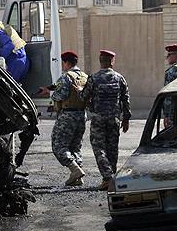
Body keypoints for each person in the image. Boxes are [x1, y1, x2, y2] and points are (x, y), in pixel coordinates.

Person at [80, 50, 131, 190]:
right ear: (112, 62)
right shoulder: (119, 78)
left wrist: (79, 91)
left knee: (99, 148)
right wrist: (126, 119)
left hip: (98, 119)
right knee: (112, 148)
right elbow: (126, 99)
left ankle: (108, 177)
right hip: (114, 119)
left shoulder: (94, 78)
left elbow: (83, 97)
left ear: (100, 61)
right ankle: (112, 177)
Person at [39, 51, 88, 186]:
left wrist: (50, 93)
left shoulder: (66, 77)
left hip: (68, 115)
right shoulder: (85, 77)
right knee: (75, 146)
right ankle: (77, 177)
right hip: (81, 115)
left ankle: (75, 170)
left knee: (59, 145)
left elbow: (60, 95)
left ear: (66, 63)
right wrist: (51, 88)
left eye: (63, 63)